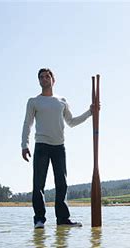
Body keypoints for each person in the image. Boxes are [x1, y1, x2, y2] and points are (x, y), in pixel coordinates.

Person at [21, 68, 98, 229]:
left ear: (53, 80)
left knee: (61, 184)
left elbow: (72, 122)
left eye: (47, 76)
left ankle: (63, 219)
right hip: (41, 145)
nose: (44, 79)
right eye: (41, 77)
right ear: (39, 81)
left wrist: (90, 112)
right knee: (38, 185)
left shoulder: (61, 101)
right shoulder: (34, 101)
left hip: (59, 147)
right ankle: (39, 220)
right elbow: (27, 124)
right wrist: (24, 145)